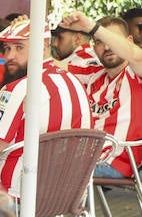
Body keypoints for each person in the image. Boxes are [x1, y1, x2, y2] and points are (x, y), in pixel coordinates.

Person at [0, 17, 91, 195]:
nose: (9, 56)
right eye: (7, 48)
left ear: (42, 47)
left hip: (20, 191)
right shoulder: (75, 82)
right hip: (71, 190)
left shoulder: (19, 88)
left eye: (19, 48)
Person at [58, 11, 142, 179]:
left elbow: (135, 56)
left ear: (129, 42)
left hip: (117, 162)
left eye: (112, 40)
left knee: (46, 171)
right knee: (32, 163)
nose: (107, 47)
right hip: (83, 157)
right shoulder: (93, 74)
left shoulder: (136, 72)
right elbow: (48, 65)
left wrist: (92, 27)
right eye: (99, 42)